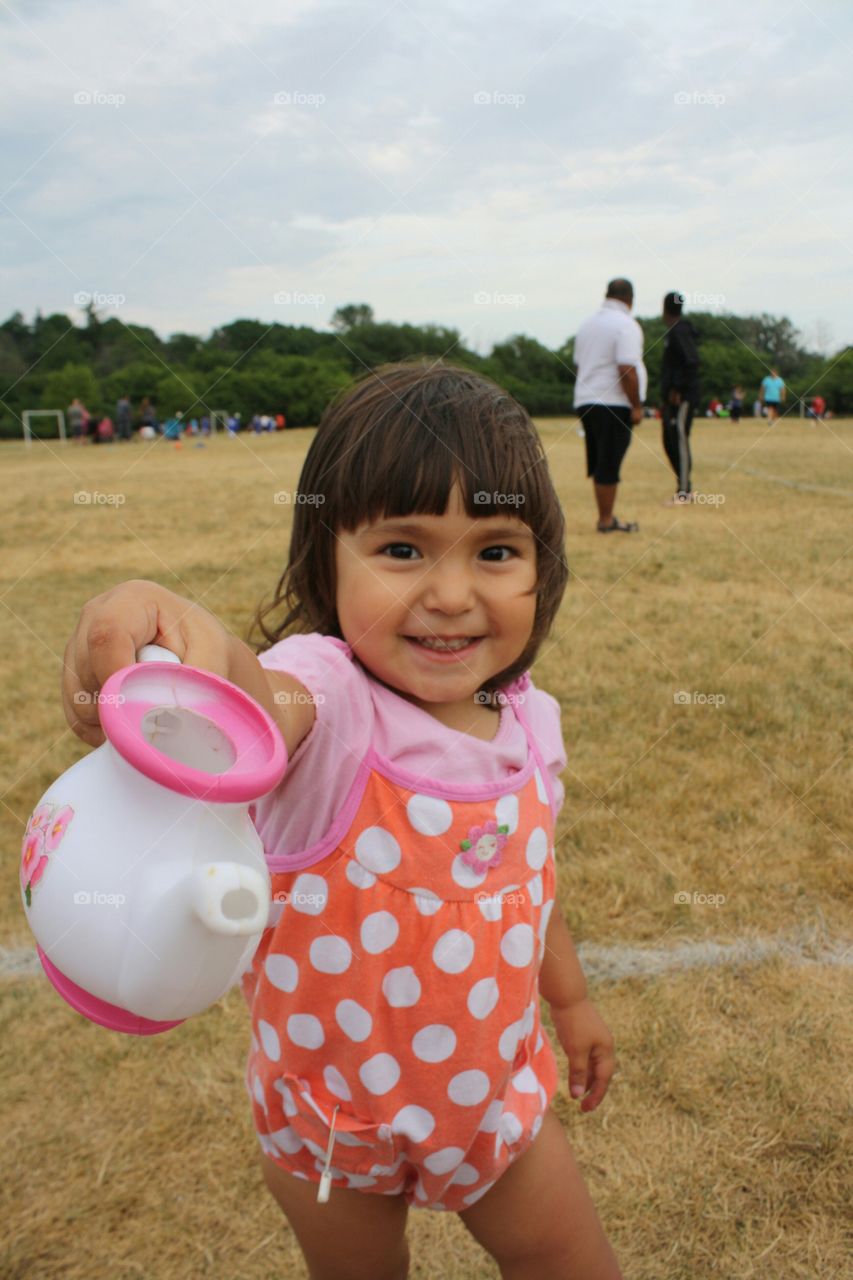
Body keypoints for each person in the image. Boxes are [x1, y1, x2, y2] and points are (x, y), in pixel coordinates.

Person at [61, 361, 624, 1280]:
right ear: (326, 557)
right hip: (330, 1131)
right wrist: (162, 624)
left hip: (495, 1105)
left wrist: (570, 1002)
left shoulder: (532, 722)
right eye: (401, 549)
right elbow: (251, 700)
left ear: (542, 566)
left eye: (495, 551)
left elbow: (531, 885)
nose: (451, 594)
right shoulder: (328, 698)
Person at [573, 278, 645, 532]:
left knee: (599, 461)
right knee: (609, 462)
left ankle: (605, 516)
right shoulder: (626, 325)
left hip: (586, 399)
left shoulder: (587, 325)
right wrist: (636, 405)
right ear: (630, 299)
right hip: (613, 402)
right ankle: (606, 520)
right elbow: (626, 368)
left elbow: (579, 364)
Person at [660, 291, 700, 505]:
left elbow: (691, 361)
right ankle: (683, 485)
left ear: (665, 309)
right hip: (672, 397)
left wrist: (677, 389)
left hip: (684, 396)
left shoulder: (680, 331)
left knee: (680, 437)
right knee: (669, 439)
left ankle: (684, 491)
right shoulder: (674, 332)